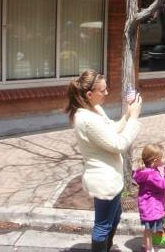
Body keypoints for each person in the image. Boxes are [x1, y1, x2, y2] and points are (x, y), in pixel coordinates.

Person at [65, 70, 142, 252]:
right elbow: (118, 144)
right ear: (89, 94)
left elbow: (113, 129)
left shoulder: (96, 109)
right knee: (102, 226)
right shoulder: (86, 119)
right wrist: (135, 119)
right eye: (103, 90)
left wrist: (127, 116)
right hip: (104, 180)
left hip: (112, 178)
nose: (107, 93)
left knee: (115, 217)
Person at [133, 144, 165, 252]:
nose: (164, 159)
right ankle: (148, 249)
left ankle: (145, 245)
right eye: (162, 157)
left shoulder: (145, 171)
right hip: (152, 208)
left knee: (148, 230)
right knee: (149, 231)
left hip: (148, 206)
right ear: (155, 160)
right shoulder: (152, 175)